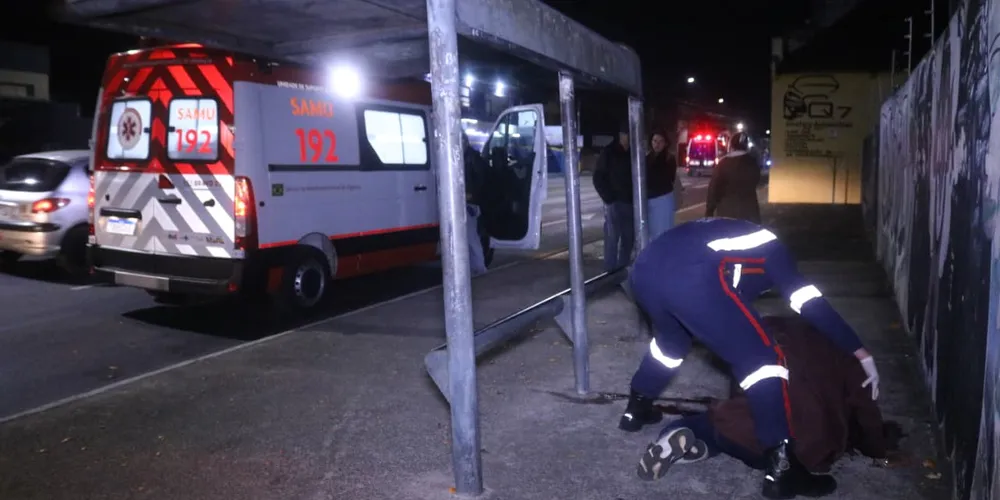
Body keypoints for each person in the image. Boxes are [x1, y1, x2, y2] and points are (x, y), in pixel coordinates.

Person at [617, 218, 881, 499]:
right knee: (764, 359)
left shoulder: (730, 243)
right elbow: (807, 301)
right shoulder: (774, 251)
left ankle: (636, 408)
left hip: (644, 272)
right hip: (690, 273)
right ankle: (782, 470)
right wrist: (859, 351)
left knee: (670, 345)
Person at [636, 315, 889, 488]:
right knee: (745, 431)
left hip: (751, 433)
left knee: (724, 423)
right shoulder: (847, 352)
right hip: (804, 454)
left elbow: (740, 386)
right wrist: (878, 449)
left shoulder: (762, 336)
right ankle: (699, 447)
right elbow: (866, 410)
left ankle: (678, 438)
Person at [593, 122, 634, 271]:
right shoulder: (609, 152)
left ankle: (622, 269)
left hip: (630, 203)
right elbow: (598, 177)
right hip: (614, 202)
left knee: (628, 238)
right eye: (625, 135)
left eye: (630, 135)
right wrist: (608, 198)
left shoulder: (634, 152)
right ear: (620, 135)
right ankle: (610, 271)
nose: (627, 138)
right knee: (612, 237)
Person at [706, 131, 762, 223]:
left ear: (731, 145)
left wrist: (709, 210)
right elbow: (756, 180)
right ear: (746, 145)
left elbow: (713, 188)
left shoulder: (723, 163)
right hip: (750, 209)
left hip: (727, 210)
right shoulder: (752, 162)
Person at [462, 131, 488, 276]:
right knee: (467, 238)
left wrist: (472, 195)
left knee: (471, 237)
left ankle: (479, 267)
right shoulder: (464, 156)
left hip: (470, 203)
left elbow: (481, 181)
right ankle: (474, 267)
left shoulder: (473, 157)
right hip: (465, 201)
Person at [646, 130, 677, 240]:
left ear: (665, 143)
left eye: (660, 141)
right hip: (649, 199)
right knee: (650, 232)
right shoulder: (646, 158)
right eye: (654, 141)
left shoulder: (669, 159)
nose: (657, 144)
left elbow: (669, 178)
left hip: (663, 198)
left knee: (663, 231)